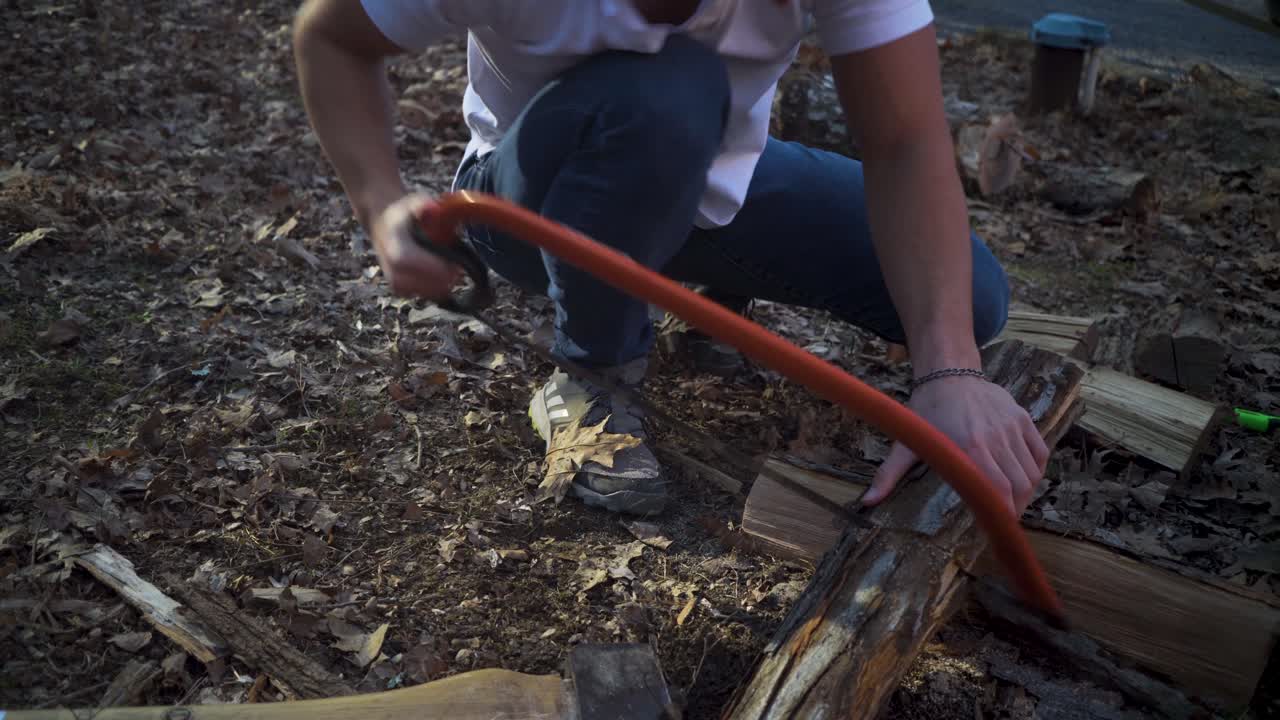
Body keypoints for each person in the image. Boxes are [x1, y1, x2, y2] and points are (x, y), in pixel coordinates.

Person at [291, 0, 1050, 518]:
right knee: (667, 92)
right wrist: (380, 204)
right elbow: (331, 36)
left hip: (707, 175)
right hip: (530, 205)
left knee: (971, 298)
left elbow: (906, 140)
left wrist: (951, 371)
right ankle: (592, 372)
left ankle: (708, 290)